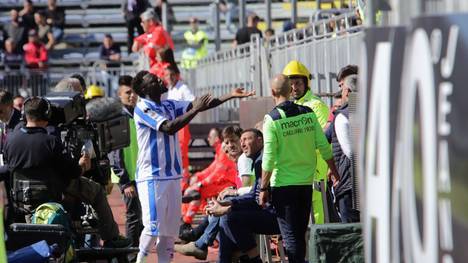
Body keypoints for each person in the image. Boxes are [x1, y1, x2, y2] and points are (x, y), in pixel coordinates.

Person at [131, 70, 253, 263]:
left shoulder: (168, 104)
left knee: (169, 232)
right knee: (153, 227)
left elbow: (201, 104)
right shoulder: (143, 108)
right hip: (152, 176)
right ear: (145, 89)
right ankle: (140, 260)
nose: (158, 78)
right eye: (153, 80)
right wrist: (194, 110)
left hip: (172, 176)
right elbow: (169, 127)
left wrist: (229, 95)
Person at [4, 97, 132, 248]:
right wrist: (82, 165)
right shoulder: (50, 141)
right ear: (46, 115)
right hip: (54, 190)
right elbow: (73, 172)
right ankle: (111, 238)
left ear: (25, 115)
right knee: (96, 191)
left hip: (22, 196)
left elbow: (9, 167)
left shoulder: (10, 139)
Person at [259, 74, 339, 263]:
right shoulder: (308, 113)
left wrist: (263, 187)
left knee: (290, 237)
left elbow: (269, 158)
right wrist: (335, 172)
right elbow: (324, 146)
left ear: (272, 93)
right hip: (305, 184)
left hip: (283, 186)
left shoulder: (271, 119)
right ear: (290, 90)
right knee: (300, 234)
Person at [207, 129, 280, 263]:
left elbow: (254, 197)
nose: (243, 144)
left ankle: (249, 259)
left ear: (260, 140)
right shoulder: (258, 159)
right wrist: (227, 204)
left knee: (229, 218)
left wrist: (227, 206)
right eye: (242, 141)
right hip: (270, 210)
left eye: (247, 139)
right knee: (226, 214)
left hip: (278, 216)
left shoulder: (262, 160)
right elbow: (254, 194)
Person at [175, 126, 244, 261]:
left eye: (232, 141)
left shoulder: (233, 155)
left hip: (227, 185)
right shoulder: (226, 152)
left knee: (200, 193)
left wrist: (199, 183)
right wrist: (199, 177)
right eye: (227, 142)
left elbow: (218, 173)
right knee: (216, 204)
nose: (229, 145)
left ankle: (191, 229)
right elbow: (213, 169)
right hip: (228, 187)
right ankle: (197, 236)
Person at [282, 60, 330, 224]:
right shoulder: (288, 106)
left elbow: (324, 137)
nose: (294, 87)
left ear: (306, 83)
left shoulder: (316, 105)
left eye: (297, 83)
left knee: (317, 212)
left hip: (315, 168)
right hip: (298, 168)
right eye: (291, 84)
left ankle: (318, 247)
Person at [108, 75, 143, 254]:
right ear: (119, 96)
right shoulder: (117, 118)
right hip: (128, 176)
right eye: (127, 92)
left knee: (141, 216)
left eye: (134, 92)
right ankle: (130, 254)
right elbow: (115, 153)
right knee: (133, 216)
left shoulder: (136, 113)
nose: (132, 95)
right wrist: (125, 181)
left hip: (139, 174)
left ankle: (138, 251)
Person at [331, 74, 360, 223]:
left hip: (349, 185)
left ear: (347, 91)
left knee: (351, 232)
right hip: (368, 183)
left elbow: (349, 152)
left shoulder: (343, 116)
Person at [164, 65, 194, 187]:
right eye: (167, 75)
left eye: (172, 75)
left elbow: (192, 102)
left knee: (181, 152)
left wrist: (183, 115)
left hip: (181, 125)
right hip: (173, 125)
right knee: (175, 151)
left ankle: (184, 180)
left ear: (177, 75)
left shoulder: (183, 88)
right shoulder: (169, 89)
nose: (169, 77)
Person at [132, 9, 175, 75]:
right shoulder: (150, 33)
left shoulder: (159, 31)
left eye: (143, 22)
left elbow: (149, 51)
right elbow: (135, 48)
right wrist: (139, 41)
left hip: (164, 72)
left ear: (151, 21)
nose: (141, 24)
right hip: (156, 71)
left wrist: (144, 46)